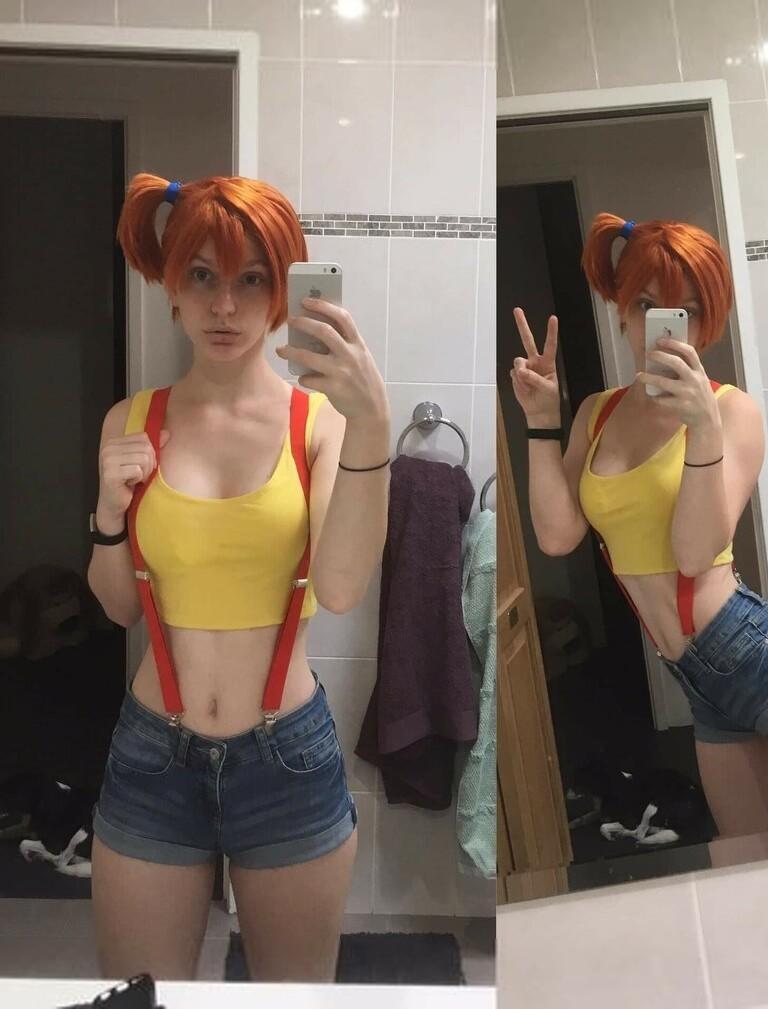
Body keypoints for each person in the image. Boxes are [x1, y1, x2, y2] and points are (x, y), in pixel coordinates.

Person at [508, 213, 768, 847]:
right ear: (622, 312)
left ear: (706, 323)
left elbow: (695, 554)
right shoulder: (595, 414)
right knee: (752, 872)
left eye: (686, 312)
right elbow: (557, 537)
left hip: (765, 657)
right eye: (646, 304)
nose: (663, 326)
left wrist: (702, 430)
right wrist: (541, 421)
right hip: (700, 681)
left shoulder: (730, 411)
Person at [86, 173, 390, 981]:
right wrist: (109, 513)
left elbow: (343, 587)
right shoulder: (129, 421)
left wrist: (371, 424)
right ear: (171, 286)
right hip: (153, 757)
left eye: (252, 279)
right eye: (202, 276)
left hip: (286, 759)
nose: (225, 305)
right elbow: (119, 606)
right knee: (138, 997)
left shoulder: (319, 425)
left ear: (283, 291)